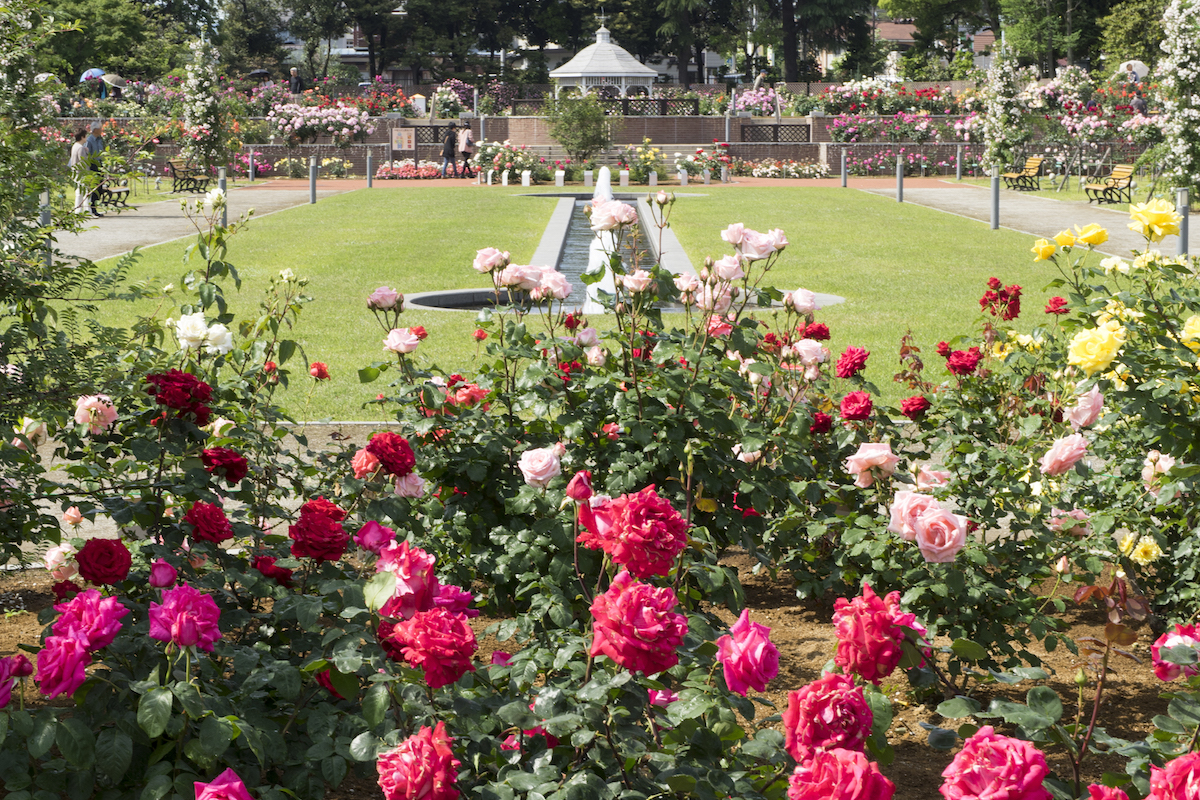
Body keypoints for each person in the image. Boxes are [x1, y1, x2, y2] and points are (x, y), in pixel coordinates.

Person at [84, 122, 105, 218]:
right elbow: (87, 154)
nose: (101, 130)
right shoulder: (89, 140)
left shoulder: (100, 140)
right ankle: (92, 209)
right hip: (92, 165)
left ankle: (95, 207)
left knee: (100, 188)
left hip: (100, 164)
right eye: (100, 128)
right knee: (94, 187)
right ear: (95, 130)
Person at [67, 129, 90, 215]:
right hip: (81, 173)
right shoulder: (80, 148)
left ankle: (78, 211)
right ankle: (87, 211)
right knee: (85, 192)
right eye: (85, 136)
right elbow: (83, 162)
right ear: (82, 137)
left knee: (79, 192)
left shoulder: (75, 146)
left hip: (75, 172)